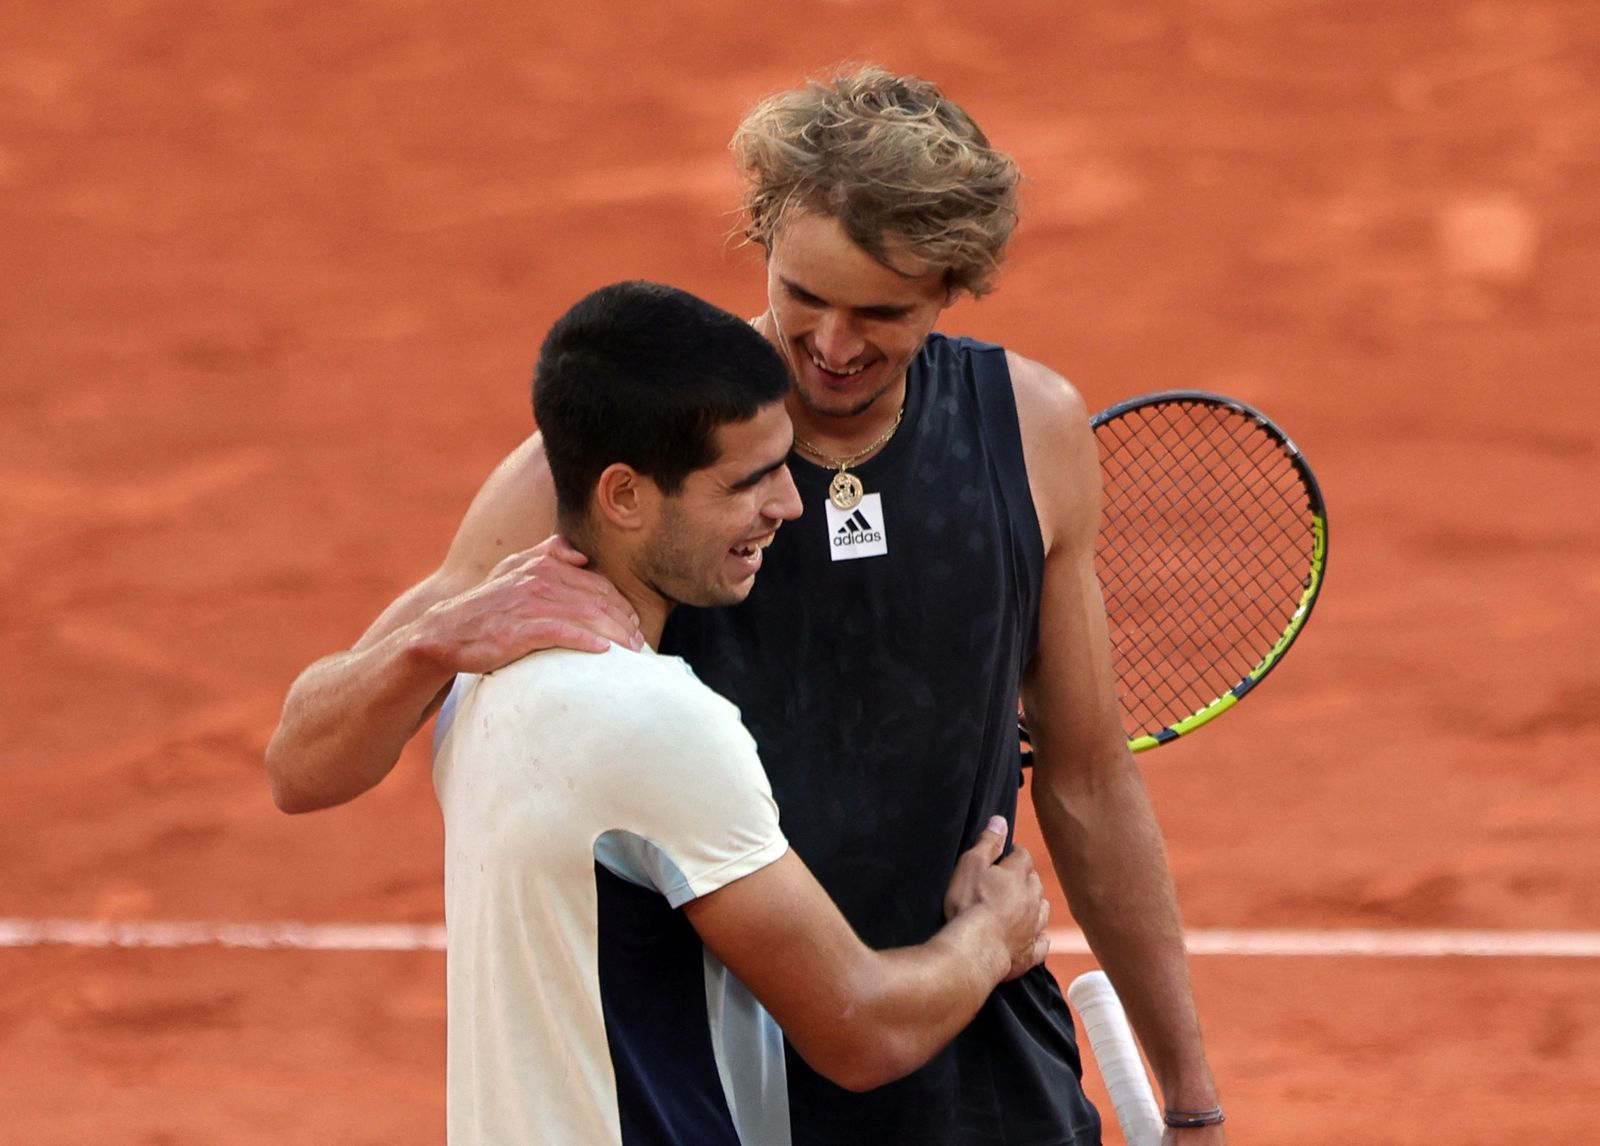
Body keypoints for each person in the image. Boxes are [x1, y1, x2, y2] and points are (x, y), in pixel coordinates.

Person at [268, 67, 1226, 1145]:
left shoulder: (1033, 433)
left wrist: (1189, 1097)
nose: (830, 343)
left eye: (882, 312)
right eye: (802, 294)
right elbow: (303, 768)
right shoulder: (620, 462)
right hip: (742, 1076)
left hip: (976, 1060)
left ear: (953, 287)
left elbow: (1090, 779)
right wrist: (433, 640)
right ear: (763, 242)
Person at [434, 279, 1051, 1144]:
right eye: (748, 482)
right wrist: (993, 934)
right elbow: (861, 1029)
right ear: (624, 496)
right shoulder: (660, 725)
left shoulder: (476, 679)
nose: (790, 505)